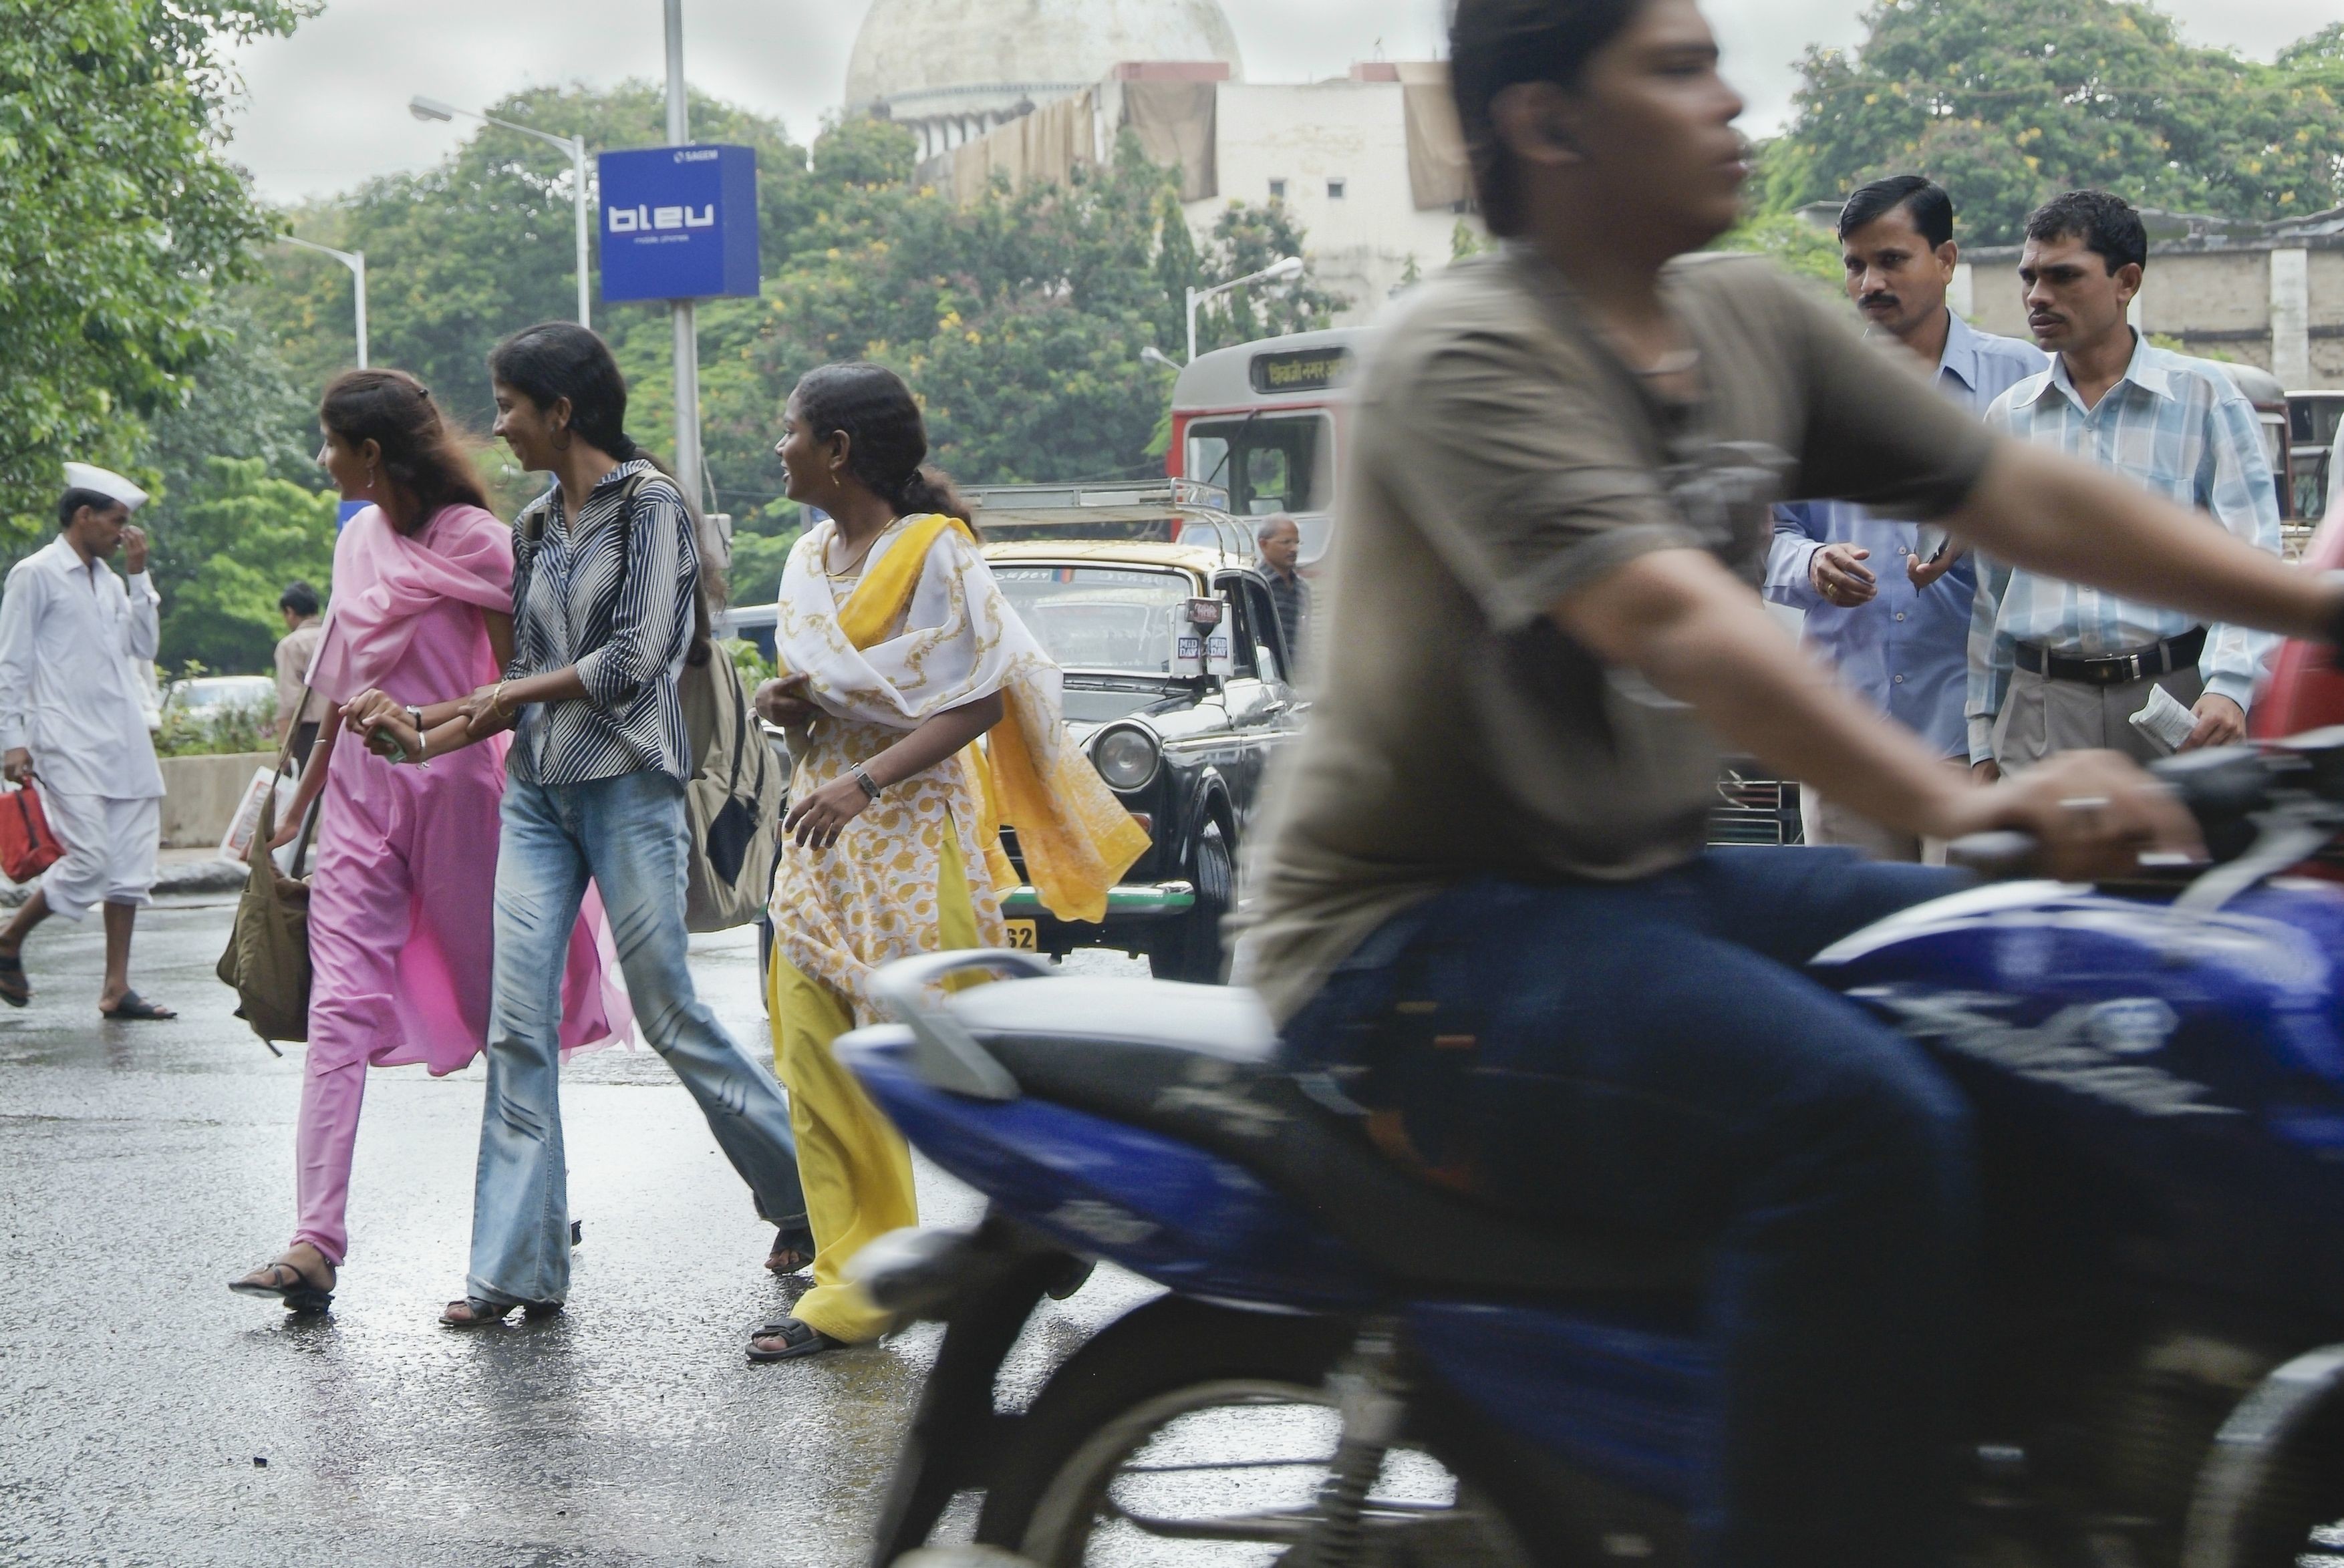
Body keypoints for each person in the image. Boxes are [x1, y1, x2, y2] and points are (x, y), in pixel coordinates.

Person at [1232, 1, 2344, 1563]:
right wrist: (1959, 802)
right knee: (1855, 1123)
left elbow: (2019, 490)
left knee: (2055, 992)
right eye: (1676, 70)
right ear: (1549, 126)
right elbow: (1668, 617)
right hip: (1411, 939)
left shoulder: (1751, 318)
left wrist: (2316, 606)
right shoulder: (1466, 351)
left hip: (1640, 887)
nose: (1728, 99)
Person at [341, 323, 811, 1327]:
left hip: (632, 787)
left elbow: (636, 657)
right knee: (518, 1029)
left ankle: (805, 1192)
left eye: (512, 404)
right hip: (539, 794)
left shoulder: (653, 512)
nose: (499, 425)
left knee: (671, 1011)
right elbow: (516, 698)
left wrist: (494, 694)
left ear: (564, 411)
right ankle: (515, 1267)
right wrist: (418, 732)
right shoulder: (533, 526)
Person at [747, 362, 1147, 1362]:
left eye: (790, 430)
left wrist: (866, 781)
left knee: (956, 1053)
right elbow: (842, 688)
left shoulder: (937, 551)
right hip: (819, 835)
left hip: (913, 834)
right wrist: (790, 707)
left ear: (837, 449)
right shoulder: (806, 557)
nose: (779, 446)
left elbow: (981, 697)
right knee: (814, 1053)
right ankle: (856, 1285)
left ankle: (1057, 1203)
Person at [227, 369, 627, 1316]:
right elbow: (338, 686)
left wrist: (427, 728)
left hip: (464, 798)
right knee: (339, 1013)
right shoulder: (357, 541)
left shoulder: (484, 545)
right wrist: (299, 809)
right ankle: (314, 1239)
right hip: (362, 806)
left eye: (330, 442)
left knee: (507, 1019)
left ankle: (532, 1204)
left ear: (371, 453)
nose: (322, 458)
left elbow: (516, 691)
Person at [1765, 174, 2045, 860]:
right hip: (1846, 733)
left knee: (1965, 947)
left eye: (1892, 260)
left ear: (1946, 261)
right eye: (1855, 265)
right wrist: (1810, 563)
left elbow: (2063, 532)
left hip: (1976, 734)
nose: (1869, 283)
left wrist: (1985, 533)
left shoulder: (2022, 382)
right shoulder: (1806, 393)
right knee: (1859, 942)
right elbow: (1764, 533)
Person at [1968, 190, 2282, 780]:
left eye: (2064, 276)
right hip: (2042, 711)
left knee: (2181, 870)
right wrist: (1984, 735)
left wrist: (2231, 687)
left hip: (2175, 700)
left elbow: (2254, 559)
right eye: (2029, 277)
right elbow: (1993, 591)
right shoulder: (2009, 420)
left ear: (2126, 281)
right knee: (2048, 874)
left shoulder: (2204, 400)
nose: (2038, 296)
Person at [0, 464, 174, 1020]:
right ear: (84, 516)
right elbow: (12, 662)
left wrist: (140, 576)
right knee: (91, 860)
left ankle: (116, 987)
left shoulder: (112, 580)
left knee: (130, 866)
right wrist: (12, 740)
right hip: (65, 738)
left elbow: (143, 647)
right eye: (117, 522)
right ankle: (7, 939)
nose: (124, 533)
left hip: (123, 738)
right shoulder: (35, 574)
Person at [272, 580, 330, 766]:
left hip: (309, 733)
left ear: (290, 611)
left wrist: (284, 745)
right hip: (343, 729)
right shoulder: (337, 637)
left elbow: (289, 699)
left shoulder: (291, 645)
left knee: (310, 791)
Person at [1256, 514, 1310, 672]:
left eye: (1296, 542)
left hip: (1299, 678)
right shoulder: (1253, 585)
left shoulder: (1302, 588)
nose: (1294, 549)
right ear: (1264, 544)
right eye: (1286, 542)